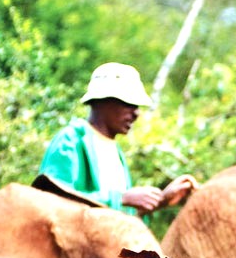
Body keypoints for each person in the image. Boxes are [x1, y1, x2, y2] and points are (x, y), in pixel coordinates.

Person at [35, 62, 197, 217]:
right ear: (103, 100)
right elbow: (51, 203)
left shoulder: (115, 151)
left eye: (137, 106)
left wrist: (159, 200)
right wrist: (121, 198)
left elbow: (118, 219)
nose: (136, 113)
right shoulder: (71, 140)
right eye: (128, 104)